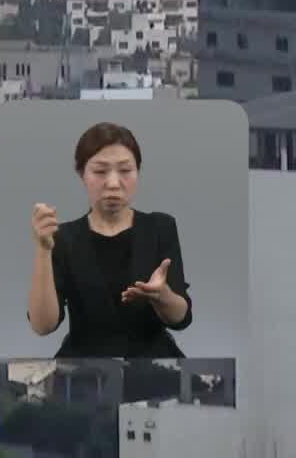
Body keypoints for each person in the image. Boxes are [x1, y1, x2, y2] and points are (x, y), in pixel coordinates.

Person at [25, 121, 191, 357]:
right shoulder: (63, 238)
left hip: (154, 367)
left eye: (125, 171)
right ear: (82, 174)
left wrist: (161, 296)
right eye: (100, 171)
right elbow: (43, 326)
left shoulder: (160, 227)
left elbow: (181, 317)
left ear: (138, 172)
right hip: (83, 372)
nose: (113, 183)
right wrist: (42, 249)